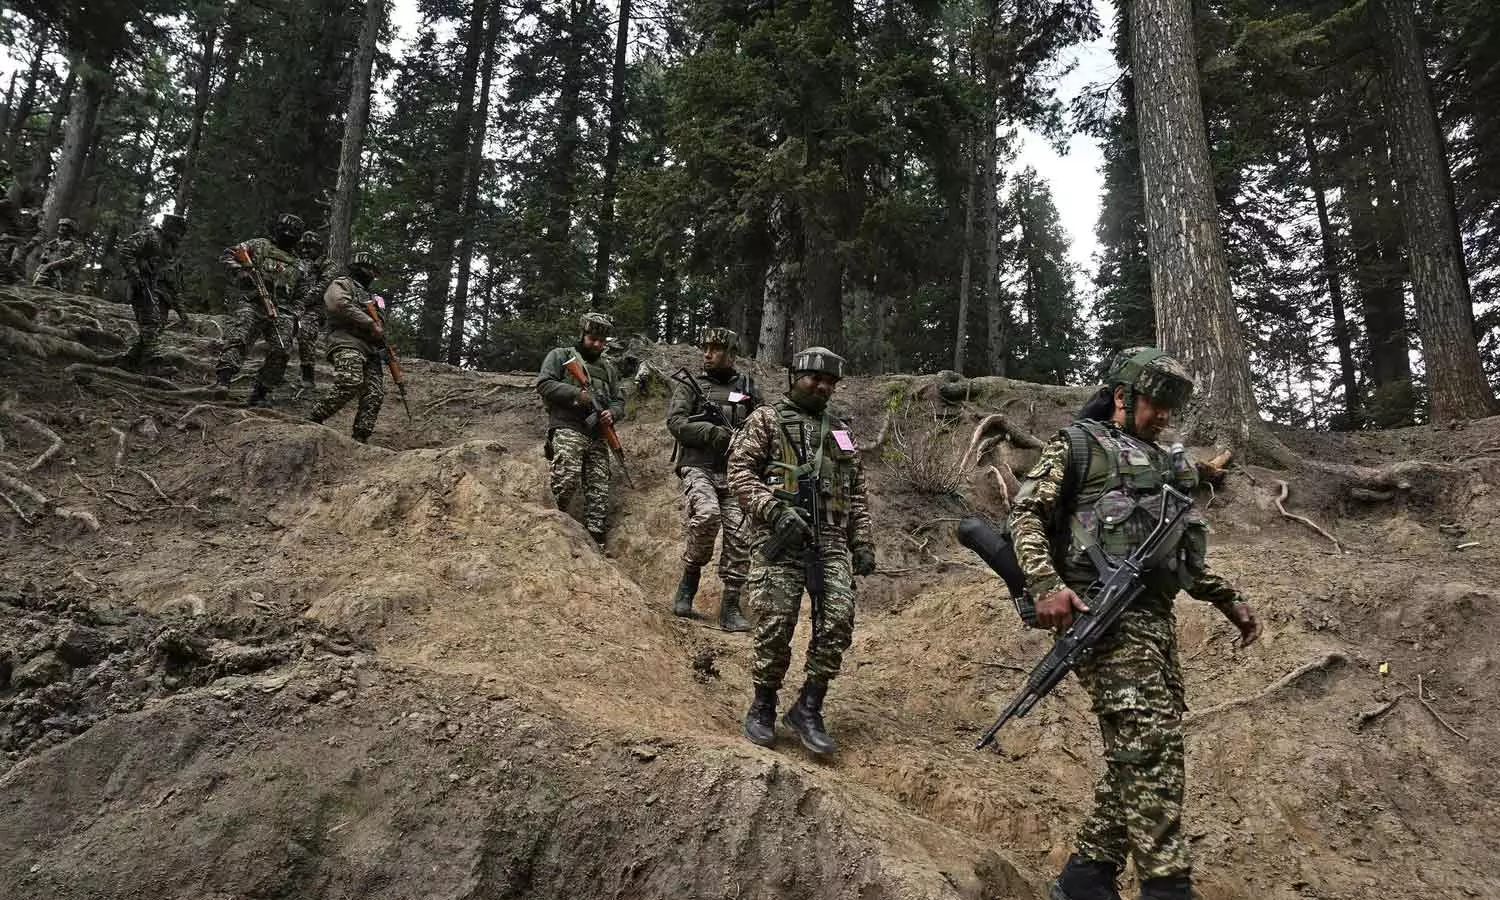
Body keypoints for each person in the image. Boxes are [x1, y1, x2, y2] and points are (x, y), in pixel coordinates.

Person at [1007, 346, 1262, 900]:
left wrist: (1226, 598)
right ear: (1122, 398)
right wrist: (1047, 585)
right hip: (1100, 616)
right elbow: (1025, 513)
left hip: (1154, 624)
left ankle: (1087, 877)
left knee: (1144, 749)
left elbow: (1170, 550)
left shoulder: (1164, 462)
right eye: (1156, 404)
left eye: (1172, 407)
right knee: (1151, 745)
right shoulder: (1078, 444)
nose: (1165, 416)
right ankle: (1167, 887)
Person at [728, 346, 876, 755]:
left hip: (829, 541)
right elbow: (740, 474)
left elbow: (856, 491)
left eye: (831, 381)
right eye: (816, 379)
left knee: (838, 622)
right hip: (781, 540)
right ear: (795, 376)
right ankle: (763, 704)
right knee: (777, 622)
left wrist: (861, 541)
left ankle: (809, 706)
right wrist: (775, 510)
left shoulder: (841, 430)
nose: (824, 386)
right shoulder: (767, 419)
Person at [665, 326, 762, 630]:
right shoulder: (691, 387)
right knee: (707, 515)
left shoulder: (747, 387)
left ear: (732, 354)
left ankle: (730, 607)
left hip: (735, 473)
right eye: (704, 348)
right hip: (698, 467)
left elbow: (763, 425)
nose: (707, 354)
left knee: (741, 534)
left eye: (715, 349)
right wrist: (713, 433)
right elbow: (676, 423)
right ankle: (688, 582)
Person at [536, 313, 627, 546]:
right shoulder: (561, 356)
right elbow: (545, 384)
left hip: (597, 434)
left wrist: (612, 413)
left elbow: (618, 401)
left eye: (601, 341)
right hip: (568, 425)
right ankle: (553, 527)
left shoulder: (608, 369)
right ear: (582, 335)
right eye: (592, 338)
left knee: (599, 489)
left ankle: (595, 539)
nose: (596, 344)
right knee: (566, 478)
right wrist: (578, 395)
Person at [215, 213, 308, 405]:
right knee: (240, 335)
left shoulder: (299, 265)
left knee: (282, 349)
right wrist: (240, 271)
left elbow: (301, 297)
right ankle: (223, 380)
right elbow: (228, 254)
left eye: (292, 232)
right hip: (253, 302)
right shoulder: (259, 245)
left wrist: (294, 316)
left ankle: (260, 394)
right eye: (284, 229)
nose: (287, 234)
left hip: (280, 311)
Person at [307, 251, 385, 443]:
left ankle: (361, 438)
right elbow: (338, 305)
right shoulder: (342, 284)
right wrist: (369, 322)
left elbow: (382, 326)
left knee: (374, 394)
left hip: (371, 349)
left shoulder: (375, 298)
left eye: (372, 271)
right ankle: (315, 416)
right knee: (350, 381)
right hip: (346, 341)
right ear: (357, 268)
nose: (370, 274)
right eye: (367, 269)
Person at [118, 213, 187, 373]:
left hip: (159, 293)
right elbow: (125, 249)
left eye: (181, 234)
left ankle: (128, 360)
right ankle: (154, 364)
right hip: (142, 287)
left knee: (155, 328)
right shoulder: (151, 236)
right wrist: (135, 273)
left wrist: (181, 311)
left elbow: (173, 284)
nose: (179, 237)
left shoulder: (170, 252)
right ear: (168, 228)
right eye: (177, 232)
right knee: (151, 324)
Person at [294, 230, 329, 389]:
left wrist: (301, 304)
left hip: (315, 308)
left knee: (305, 333)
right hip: (291, 306)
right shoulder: (297, 263)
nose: (306, 250)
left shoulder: (327, 265)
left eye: (310, 247)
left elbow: (321, 288)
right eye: (303, 247)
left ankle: (308, 375)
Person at [31, 217, 85, 289]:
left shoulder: (77, 244)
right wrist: (44, 257)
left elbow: (75, 258)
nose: (61, 227)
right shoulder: (52, 243)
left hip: (63, 276)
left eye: (65, 226)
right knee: (36, 289)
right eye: (60, 225)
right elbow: (44, 256)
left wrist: (55, 264)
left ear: (71, 229)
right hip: (45, 272)